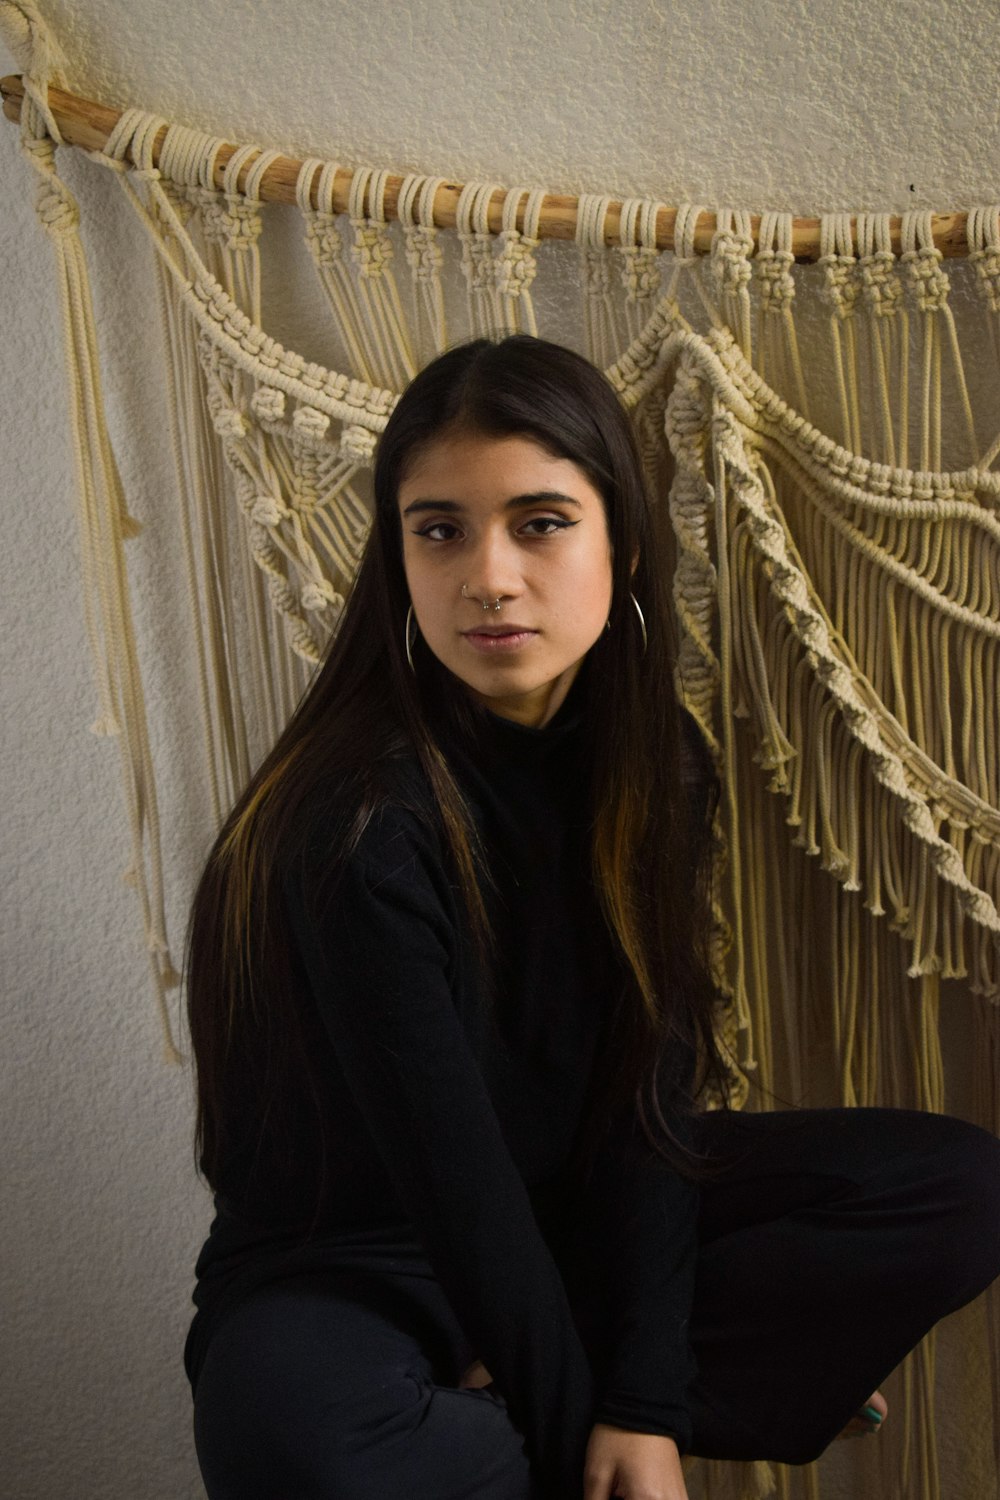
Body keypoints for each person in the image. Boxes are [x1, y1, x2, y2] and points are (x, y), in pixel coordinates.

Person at [184, 335, 1000, 1500]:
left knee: (953, 1187)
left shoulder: (658, 768)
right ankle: (659, 1393)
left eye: (540, 522)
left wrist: (640, 1402)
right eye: (439, 529)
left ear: (619, 539)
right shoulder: (357, 819)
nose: (488, 576)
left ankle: (536, 1396)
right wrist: (604, 1440)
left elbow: (649, 1105)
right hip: (359, 1260)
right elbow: (449, 1179)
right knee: (298, 1434)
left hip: (564, 1231)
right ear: (396, 559)